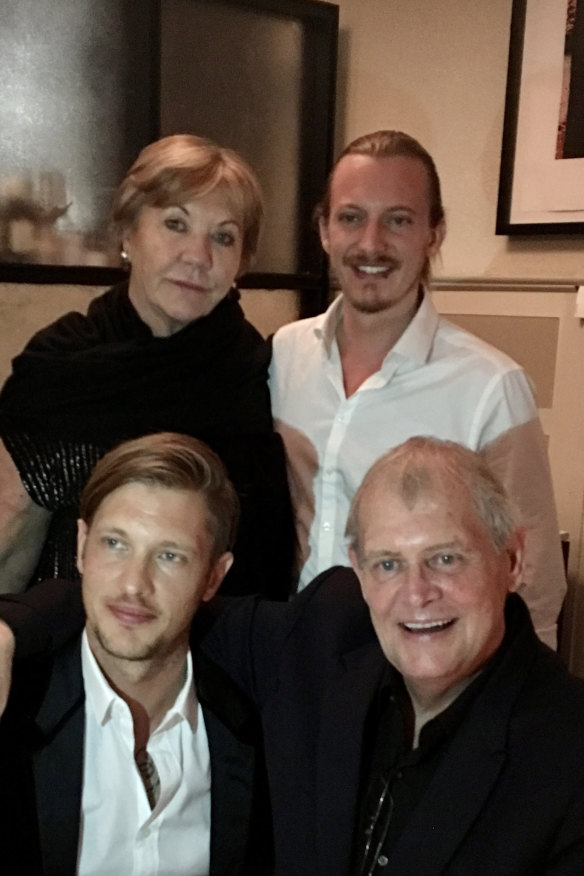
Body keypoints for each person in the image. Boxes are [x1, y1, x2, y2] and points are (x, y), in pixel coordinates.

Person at [1, 438, 583, 875]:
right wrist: (11, 626)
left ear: (513, 559)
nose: (416, 592)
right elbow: (134, 611)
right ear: (356, 567)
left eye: (447, 559)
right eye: (387, 562)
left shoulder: (565, 751)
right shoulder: (326, 642)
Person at [269, 129, 565, 646]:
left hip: (417, 676)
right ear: (324, 230)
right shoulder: (282, 356)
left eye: (398, 220)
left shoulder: (490, 387)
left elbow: (534, 583)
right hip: (293, 667)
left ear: (434, 233)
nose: (370, 244)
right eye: (351, 217)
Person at [0, 133, 294, 598]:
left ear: (242, 260)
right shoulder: (60, 366)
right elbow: (9, 542)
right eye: (176, 224)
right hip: (60, 638)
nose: (198, 257)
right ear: (127, 232)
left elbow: (270, 555)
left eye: (223, 236)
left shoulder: (258, 372)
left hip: (222, 648)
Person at [0, 433, 271, 875]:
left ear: (213, 577)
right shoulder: (15, 708)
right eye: (115, 544)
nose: (133, 584)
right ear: (81, 545)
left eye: (169, 555)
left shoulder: (259, 725)